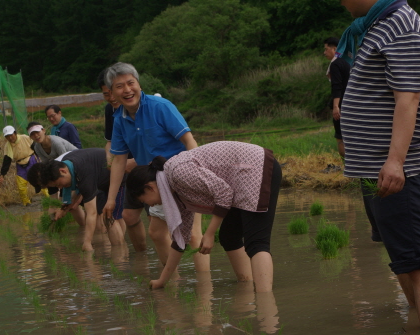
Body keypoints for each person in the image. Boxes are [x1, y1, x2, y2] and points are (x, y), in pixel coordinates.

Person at [338, 0, 420, 331]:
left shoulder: (402, 26)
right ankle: (416, 323)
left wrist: (395, 161)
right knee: (399, 251)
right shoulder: (379, 25)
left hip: (404, 170)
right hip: (376, 172)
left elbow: (409, 98)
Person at [126, 141, 282, 293]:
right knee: (229, 237)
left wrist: (209, 233)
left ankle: (265, 300)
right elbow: (181, 241)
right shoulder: (174, 191)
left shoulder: (177, 172)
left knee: (256, 242)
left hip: (255, 168)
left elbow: (223, 193)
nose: (150, 206)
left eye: (143, 201)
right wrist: (162, 281)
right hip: (239, 180)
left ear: (150, 188)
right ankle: (247, 286)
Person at [102, 62, 210, 272]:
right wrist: (111, 199)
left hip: (182, 175)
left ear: (139, 84)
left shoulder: (160, 107)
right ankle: (172, 283)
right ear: (112, 93)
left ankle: (204, 291)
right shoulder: (119, 120)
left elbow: (189, 141)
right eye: (119, 86)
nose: (127, 90)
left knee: (193, 235)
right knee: (158, 233)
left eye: (130, 83)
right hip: (156, 184)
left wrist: (195, 173)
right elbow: (119, 160)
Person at [27, 148, 125, 251]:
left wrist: (87, 243)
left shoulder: (82, 172)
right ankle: (120, 248)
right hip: (101, 181)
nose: (60, 188)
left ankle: (121, 256)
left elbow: (91, 212)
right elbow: (74, 194)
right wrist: (63, 209)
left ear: (63, 171)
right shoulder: (66, 166)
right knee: (106, 216)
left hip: (118, 177)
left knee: (109, 216)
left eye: (59, 184)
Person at [97, 69, 136, 244]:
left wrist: (135, 161)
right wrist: (110, 160)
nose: (111, 98)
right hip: (122, 166)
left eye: (113, 92)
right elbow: (110, 142)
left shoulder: (138, 107)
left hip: (143, 164)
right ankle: (134, 253)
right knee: (127, 213)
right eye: (106, 94)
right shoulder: (110, 111)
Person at [27, 121, 85, 226]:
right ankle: (83, 227)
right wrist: (53, 202)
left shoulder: (56, 142)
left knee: (77, 200)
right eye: (32, 134)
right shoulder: (37, 147)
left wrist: (62, 199)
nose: (36, 136)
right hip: (59, 171)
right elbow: (46, 169)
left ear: (43, 130)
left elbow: (66, 162)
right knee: (71, 205)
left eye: (37, 132)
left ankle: (94, 228)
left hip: (75, 167)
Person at [0, 125, 49, 206]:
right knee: (21, 185)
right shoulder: (8, 146)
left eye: (11, 135)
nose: (10, 138)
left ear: (15, 133)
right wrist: (2, 174)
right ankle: (26, 202)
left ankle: (49, 198)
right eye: (7, 136)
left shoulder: (25, 138)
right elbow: (7, 160)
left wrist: (43, 160)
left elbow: (36, 148)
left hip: (32, 160)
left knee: (41, 179)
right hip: (20, 164)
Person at [323, 37, 350, 159]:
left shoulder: (335, 64)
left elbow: (337, 87)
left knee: (340, 137)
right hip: (350, 103)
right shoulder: (346, 62)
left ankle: (348, 166)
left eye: (326, 49)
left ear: (334, 49)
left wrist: (335, 106)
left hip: (341, 105)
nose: (324, 53)